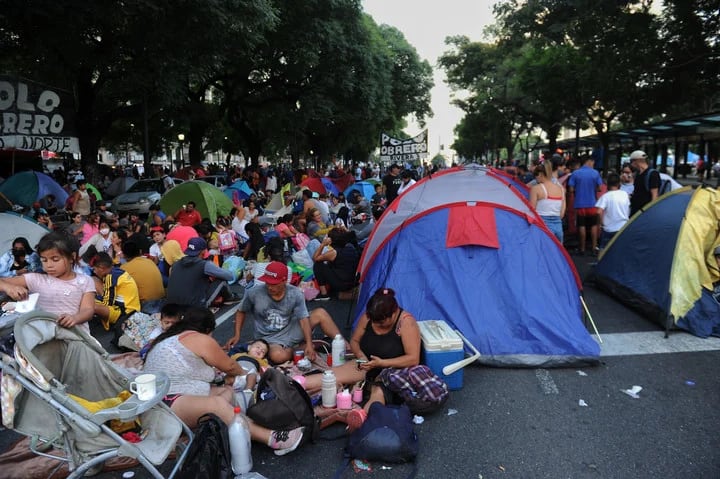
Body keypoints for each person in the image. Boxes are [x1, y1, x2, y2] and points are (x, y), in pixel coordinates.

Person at [143, 306, 305, 455]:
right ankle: (273, 438)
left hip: (169, 395)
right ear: (208, 330)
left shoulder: (174, 338)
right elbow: (230, 366)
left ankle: (237, 426)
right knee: (218, 404)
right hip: (162, 404)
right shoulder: (200, 339)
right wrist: (246, 373)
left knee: (225, 392)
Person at [225, 261, 345, 364]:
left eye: (274, 284)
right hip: (268, 338)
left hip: (290, 328)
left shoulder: (295, 293)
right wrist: (237, 335)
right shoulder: (254, 293)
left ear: (283, 281)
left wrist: (309, 343)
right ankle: (298, 349)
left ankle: (345, 346)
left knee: (320, 313)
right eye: (267, 283)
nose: (270, 287)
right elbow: (241, 311)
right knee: (278, 356)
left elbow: (303, 319)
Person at [0, 232, 96, 332]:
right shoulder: (35, 279)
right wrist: (8, 287)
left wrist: (76, 318)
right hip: (45, 339)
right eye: (44, 260)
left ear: (72, 257)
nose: (49, 265)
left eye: (55, 259)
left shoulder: (85, 281)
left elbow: (88, 310)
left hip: (77, 337)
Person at [351, 287, 421, 413]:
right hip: (366, 366)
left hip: (391, 372)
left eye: (381, 323)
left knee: (378, 392)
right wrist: (360, 355)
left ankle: (360, 418)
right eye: (374, 323)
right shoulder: (369, 317)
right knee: (330, 377)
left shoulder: (406, 323)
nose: (377, 326)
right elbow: (354, 341)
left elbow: (413, 359)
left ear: (393, 314)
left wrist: (382, 363)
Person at [165, 237, 236, 307]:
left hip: (172, 305)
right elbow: (230, 276)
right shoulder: (203, 264)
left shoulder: (176, 264)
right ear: (204, 251)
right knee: (221, 281)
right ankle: (231, 298)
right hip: (194, 305)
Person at [91, 252, 141, 331]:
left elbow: (107, 302)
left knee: (91, 306)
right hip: (131, 307)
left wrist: (92, 300)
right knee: (94, 280)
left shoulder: (111, 277)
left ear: (101, 268)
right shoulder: (116, 271)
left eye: (94, 269)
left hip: (126, 313)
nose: (94, 271)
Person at [312, 228, 360, 300]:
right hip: (354, 281)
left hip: (343, 283)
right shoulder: (350, 247)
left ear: (331, 240)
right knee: (330, 264)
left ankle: (324, 294)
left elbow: (315, 258)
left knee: (318, 264)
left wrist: (323, 244)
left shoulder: (334, 253)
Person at [568, 155, 602, 255]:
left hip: (579, 204)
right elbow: (600, 188)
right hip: (592, 203)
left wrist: (578, 190)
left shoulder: (575, 173)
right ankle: (594, 247)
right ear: (589, 161)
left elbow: (570, 189)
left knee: (581, 225)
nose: (593, 164)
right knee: (593, 225)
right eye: (593, 162)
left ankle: (582, 248)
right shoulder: (595, 173)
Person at [120, 240, 165, 314]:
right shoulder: (149, 261)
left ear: (124, 255)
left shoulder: (124, 268)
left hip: (146, 305)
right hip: (162, 301)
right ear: (140, 252)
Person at [529, 161, 566, 243]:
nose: (536, 179)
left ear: (541, 174)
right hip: (558, 227)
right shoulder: (561, 189)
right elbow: (562, 213)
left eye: (536, 175)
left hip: (542, 225)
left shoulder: (536, 188)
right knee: (557, 254)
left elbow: (531, 210)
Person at [595, 173, 630, 249]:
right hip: (623, 227)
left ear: (607, 183)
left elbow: (598, 211)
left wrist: (601, 223)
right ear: (619, 183)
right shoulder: (624, 194)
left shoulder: (605, 196)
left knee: (604, 249)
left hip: (609, 228)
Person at [629, 150, 661, 216]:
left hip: (645, 211)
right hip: (635, 210)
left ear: (636, 161)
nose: (631, 164)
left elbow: (654, 195)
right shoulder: (637, 174)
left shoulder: (653, 174)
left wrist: (652, 211)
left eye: (631, 161)